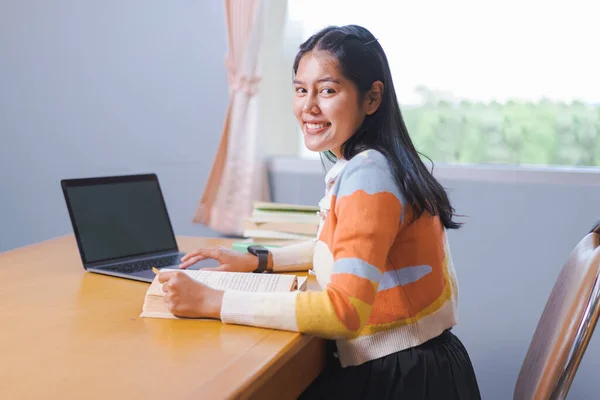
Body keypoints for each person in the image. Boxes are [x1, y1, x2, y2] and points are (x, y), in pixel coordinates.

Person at [158, 25, 481, 399]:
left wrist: (214, 302)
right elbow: (343, 251)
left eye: (327, 90)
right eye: (300, 89)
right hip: (418, 365)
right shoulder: (373, 163)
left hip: (404, 378)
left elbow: (343, 312)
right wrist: (258, 261)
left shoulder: (369, 174)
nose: (308, 106)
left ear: (372, 98)